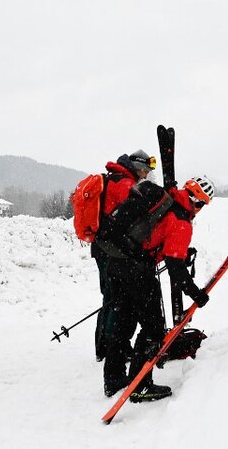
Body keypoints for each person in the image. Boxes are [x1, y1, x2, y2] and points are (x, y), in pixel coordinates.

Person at [102, 175, 214, 403]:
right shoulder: (182, 220)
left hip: (117, 260)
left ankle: (113, 379)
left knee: (124, 321)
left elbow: (157, 236)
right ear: (198, 202)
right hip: (137, 271)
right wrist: (196, 293)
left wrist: (179, 252)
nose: (200, 209)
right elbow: (175, 266)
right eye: (202, 204)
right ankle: (140, 386)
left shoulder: (168, 198)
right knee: (153, 329)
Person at [92, 149, 155, 361]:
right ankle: (111, 348)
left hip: (103, 246)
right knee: (115, 299)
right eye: (146, 171)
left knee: (109, 297)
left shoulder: (114, 178)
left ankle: (105, 346)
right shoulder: (125, 185)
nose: (146, 176)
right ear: (139, 168)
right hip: (111, 249)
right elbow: (126, 221)